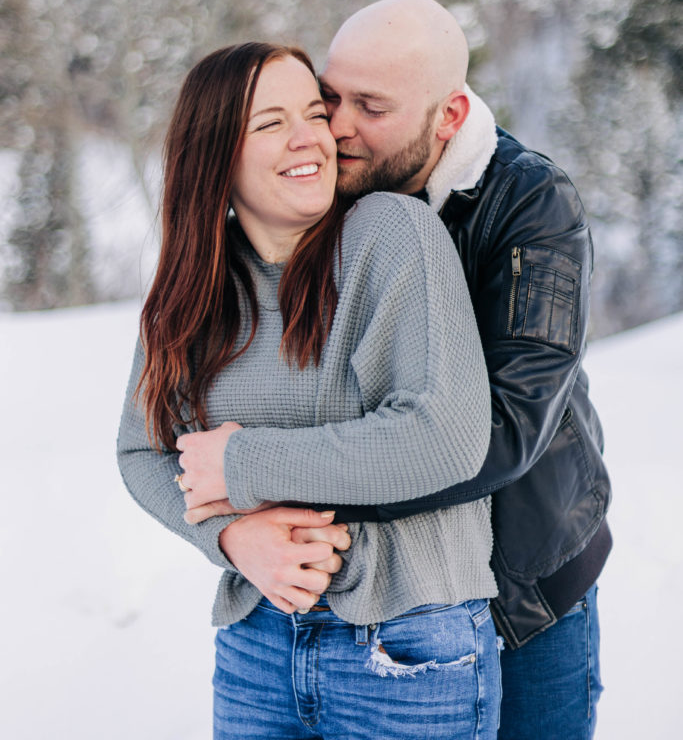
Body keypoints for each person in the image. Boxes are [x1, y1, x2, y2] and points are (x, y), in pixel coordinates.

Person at [187, 0, 612, 740]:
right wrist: (231, 530)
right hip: (381, 604)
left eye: (370, 107)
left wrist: (266, 482)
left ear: (447, 117)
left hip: (525, 584)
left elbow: (499, 433)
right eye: (330, 96)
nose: (337, 125)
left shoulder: (531, 207)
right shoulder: (329, 185)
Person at [117, 41, 501, 740]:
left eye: (313, 113)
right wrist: (231, 536)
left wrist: (243, 466)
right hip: (257, 642)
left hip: (406, 645)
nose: (310, 138)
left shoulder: (389, 233)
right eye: (270, 123)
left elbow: (444, 436)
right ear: (216, 157)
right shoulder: (195, 286)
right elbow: (142, 452)